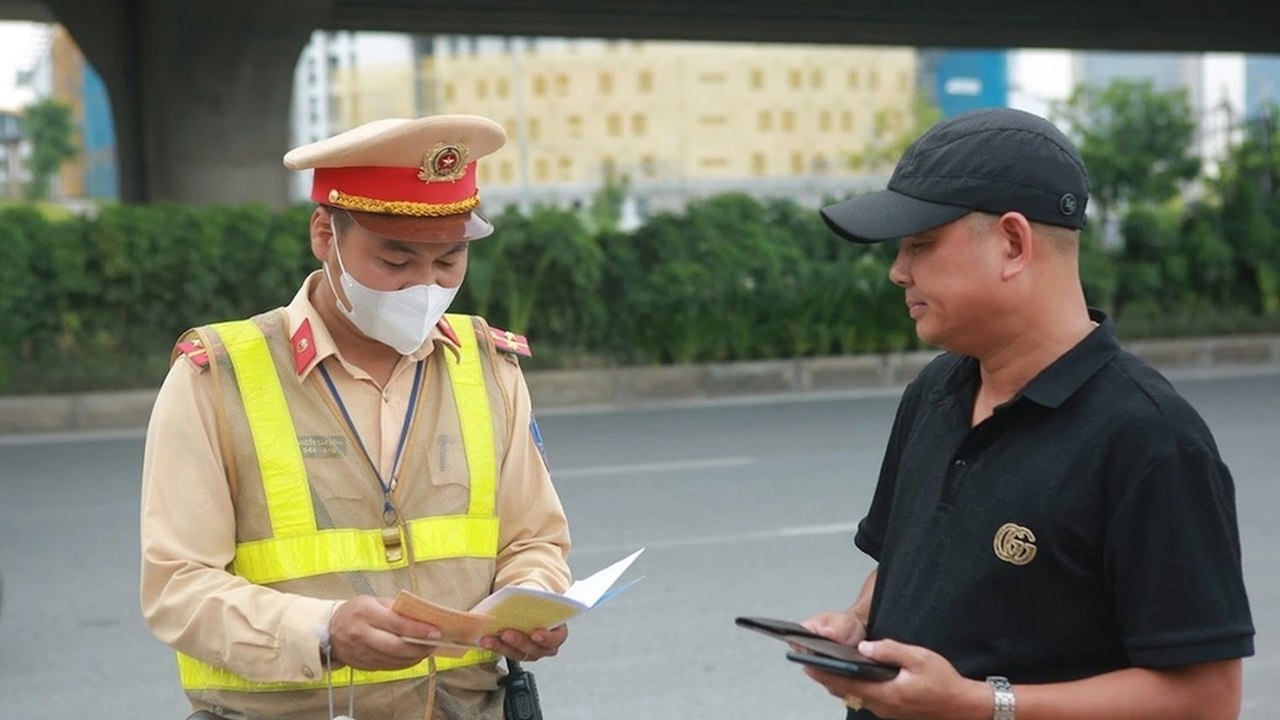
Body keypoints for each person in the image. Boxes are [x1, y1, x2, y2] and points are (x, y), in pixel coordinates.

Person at [800, 108, 1255, 720]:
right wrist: (857, 626)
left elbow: (1207, 699)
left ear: (1013, 244)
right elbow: (906, 567)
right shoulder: (936, 393)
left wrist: (984, 704)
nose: (898, 271)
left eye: (920, 244)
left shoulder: (1150, 438)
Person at [140, 114, 572, 720]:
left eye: (448, 262)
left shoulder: (489, 368)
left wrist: (533, 603)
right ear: (325, 233)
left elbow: (534, 539)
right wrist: (322, 629)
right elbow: (178, 587)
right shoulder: (218, 377)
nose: (424, 286)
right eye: (396, 263)